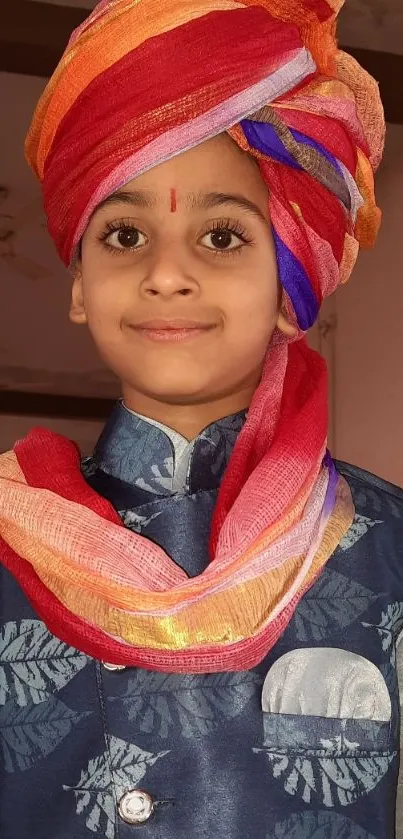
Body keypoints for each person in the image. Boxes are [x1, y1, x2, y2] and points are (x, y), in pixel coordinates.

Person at [0, 1, 402, 837]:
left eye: (220, 236)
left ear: (292, 289)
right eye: (123, 235)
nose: (167, 273)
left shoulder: (392, 549)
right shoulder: (9, 535)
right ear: (79, 285)